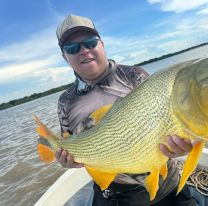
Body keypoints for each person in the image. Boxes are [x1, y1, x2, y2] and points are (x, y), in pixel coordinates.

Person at [55, 14, 196, 206]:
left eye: (90, 43)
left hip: (167, 184)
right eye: (72, 48)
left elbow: (168, 121)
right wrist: (66, 160)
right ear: (65, 57)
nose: (84, 51)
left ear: (102, 44)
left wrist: (184, 142)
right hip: (115, 197)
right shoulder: (65, 102)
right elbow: (69, 142)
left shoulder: (134, 75)